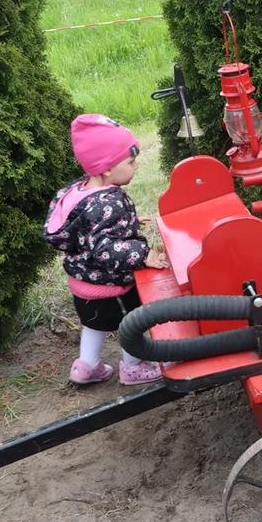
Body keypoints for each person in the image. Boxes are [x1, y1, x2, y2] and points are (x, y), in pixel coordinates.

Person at [43, 114, 169, 385]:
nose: (136, 165)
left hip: (82, 283)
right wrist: (144, 255)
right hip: (111, 286)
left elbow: (89, 230)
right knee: (130, 325)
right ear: (107, 168)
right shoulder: (109, 202)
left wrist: (129, 223)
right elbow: (106, 249)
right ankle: (133, 367)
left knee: (94, 324)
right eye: (130, 161)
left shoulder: (77, 192)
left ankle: (86, 367)